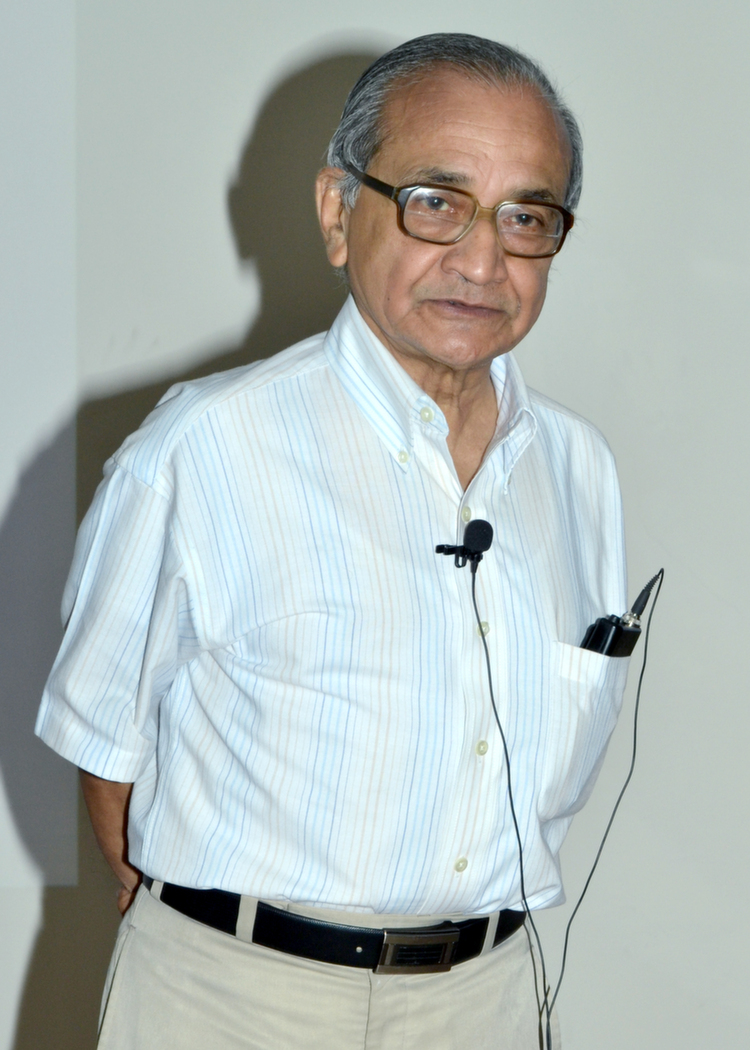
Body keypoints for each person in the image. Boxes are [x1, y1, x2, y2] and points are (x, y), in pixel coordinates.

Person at [36, 33, 630, 1050]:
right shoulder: (205, 449)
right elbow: (106, 744)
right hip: (234, 1001)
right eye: (436, 202)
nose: (482, 260)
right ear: (336, 212)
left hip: (487, 996)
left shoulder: (578, 469)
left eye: (525, 217)